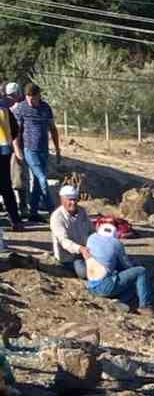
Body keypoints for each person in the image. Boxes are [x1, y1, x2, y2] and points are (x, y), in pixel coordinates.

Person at [11, 82, 60, 225]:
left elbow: (53, 129)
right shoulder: (21, 109)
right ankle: (53, 212)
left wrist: (57, 149)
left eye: (33, 98)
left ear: (39, 96)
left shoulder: (45, 108)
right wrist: (17, 150)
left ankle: (33, 212)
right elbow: (16, 132)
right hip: (29, 149)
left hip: (44, 149)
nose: (30, 101)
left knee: (38, 183)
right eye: (28, 98)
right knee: (43, 178)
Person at [84, 224, 154, 316]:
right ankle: (145, 306)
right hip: (105, 286)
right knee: (141, 272)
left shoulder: (91, 238)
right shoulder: (116, 243)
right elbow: (126, 264)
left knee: (131, 284)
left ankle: (121, 302)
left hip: (91, 286)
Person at [50, 182, 92, 277]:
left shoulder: (82, 211)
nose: (73, 203)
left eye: (75, 200)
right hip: (69, 258)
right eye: (70, 200)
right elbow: (63, 241)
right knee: (84, 273)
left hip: (86, 252)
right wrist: (80, 249)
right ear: (62, 200)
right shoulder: (57, 217)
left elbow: (91, 231)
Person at [0, 95, 21, 232]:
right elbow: (15, 129)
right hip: (4, 151)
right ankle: (16, 221)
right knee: (6, 187)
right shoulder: (4, 107)